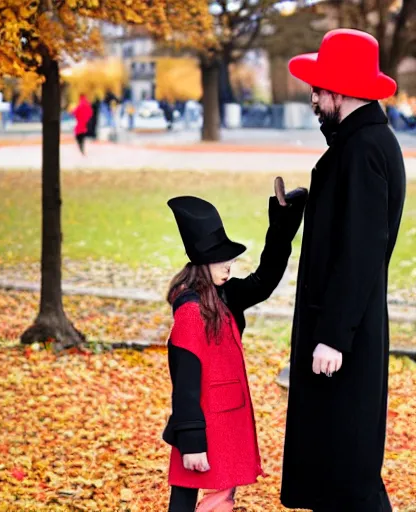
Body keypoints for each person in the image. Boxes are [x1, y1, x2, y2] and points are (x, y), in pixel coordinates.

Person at [280, 28, 406, 512]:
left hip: (344, 337)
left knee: (349, 474)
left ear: (340, 92)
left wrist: (333, 335)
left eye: (318, 90)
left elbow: (362, 250)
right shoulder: (357, 146)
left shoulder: (365, 149)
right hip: (342, 330)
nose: (313, 99)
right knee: (336, 469)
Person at [163, 183, 307, 512]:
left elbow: (265, 278)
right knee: (187, 494)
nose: (229, 267)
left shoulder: (224, 294)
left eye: (230, 260)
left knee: (223, 498)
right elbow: (184, 387)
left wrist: (283, 224)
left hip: (227, 419)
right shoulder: (189, 312)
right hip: (203, 422)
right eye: (221, 261)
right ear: (202, 263)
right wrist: (191, 441)